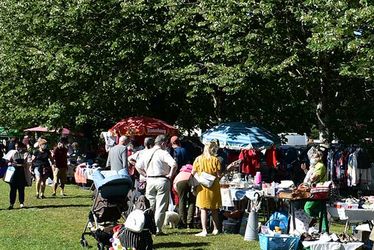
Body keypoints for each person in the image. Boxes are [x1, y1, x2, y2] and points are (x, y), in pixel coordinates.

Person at [135, 135, 177, 235]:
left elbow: (137, 166)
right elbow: (174, 164)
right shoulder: (163, 153)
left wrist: (144, 174)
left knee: (150, 205)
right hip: (162, 179)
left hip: (150, 180)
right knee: (161, 206)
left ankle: (147, 226)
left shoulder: (146, 153)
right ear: (162, 143)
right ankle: (158, 229)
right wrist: (170, 175)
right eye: (166, 144)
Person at [191, 141, 222, 237]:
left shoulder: (198, 159)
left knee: (203, 209)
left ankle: (204, 230)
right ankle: (216, 229)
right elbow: (219, 175)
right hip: (214, 186)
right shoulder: (215, 160)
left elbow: (193, 172)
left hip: (202, 186)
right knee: (214, 209)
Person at [303, 150, 328, 231]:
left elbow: (313, 178)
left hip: (319, 191)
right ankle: (324, 229)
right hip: (317, 191)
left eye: (313, 156)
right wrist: (306, 170)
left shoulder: (319, 166)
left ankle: (315, 219)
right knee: (322, 211)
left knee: (307, 207)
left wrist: (310, 173)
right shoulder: (315, 166)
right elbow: (310, 176)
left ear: (318, 158)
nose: (312, 158)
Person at [4, 142, 28, 209]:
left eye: (18, 146)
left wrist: (25, 164)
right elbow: (6, 161)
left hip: (21, 172)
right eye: (16, 146)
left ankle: (21, 203)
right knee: (13, 189)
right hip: (14, 172)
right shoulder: (12, 152)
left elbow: (26, 163)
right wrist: (10, 163)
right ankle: (11, 203)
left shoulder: (24, 153)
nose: (17, 148)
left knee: (21, 188)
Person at [173, 164, 196, 229]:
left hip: (180, 183)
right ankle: (190, 223)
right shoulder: (193, 172)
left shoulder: (180, 173)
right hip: (192, 179)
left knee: (182, 201)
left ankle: (183, 223)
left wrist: (178, 194)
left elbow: (174, 185)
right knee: (192, 202)